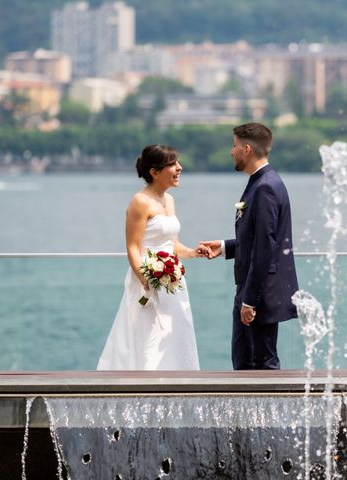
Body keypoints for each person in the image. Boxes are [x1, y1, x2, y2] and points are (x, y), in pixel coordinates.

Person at [97, 144, 208, 370]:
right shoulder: (140, 202)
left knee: (175, 334)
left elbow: (172, 244)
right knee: (148, 338)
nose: (179, 168)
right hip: (147, 280)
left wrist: (194, 252)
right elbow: (133, 248)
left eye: (177, 163)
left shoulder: (169, 200)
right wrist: (147, 282)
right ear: (154, 172)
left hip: (173, 281)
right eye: (172, 164)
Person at [202, 123, 299, 370]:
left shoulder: (265, 186)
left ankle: (274, 411)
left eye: (234, 146)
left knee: (260, 365)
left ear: (247, 149)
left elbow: (266, 248)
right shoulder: (263, 182)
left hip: (259, 296)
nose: (231, 151)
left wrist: (250, 301)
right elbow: (258, 240)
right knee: (247, 363)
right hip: (254, 292)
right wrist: (225, 247)